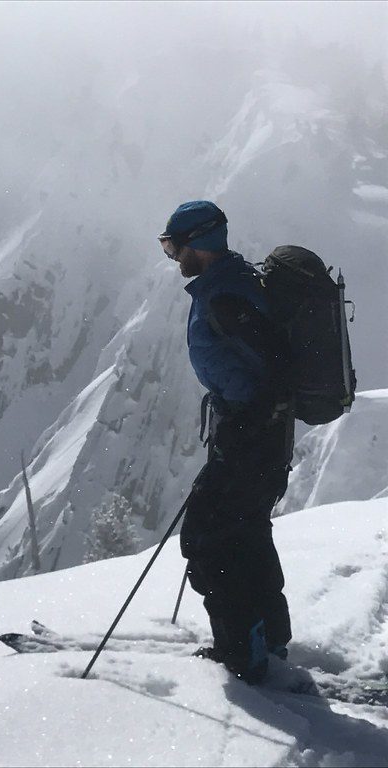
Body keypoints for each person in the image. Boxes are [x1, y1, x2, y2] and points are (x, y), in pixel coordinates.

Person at [159, 200, 294, 685]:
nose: (173, 257)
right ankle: (268, 639)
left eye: (173, 246)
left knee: (210, 540)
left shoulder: (227, 298)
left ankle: (244, 657)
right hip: (256, 436)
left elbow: (272, 367)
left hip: (250, 438)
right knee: (246, 531)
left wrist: (244, 421)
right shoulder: (232, 284)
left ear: (198, 242)